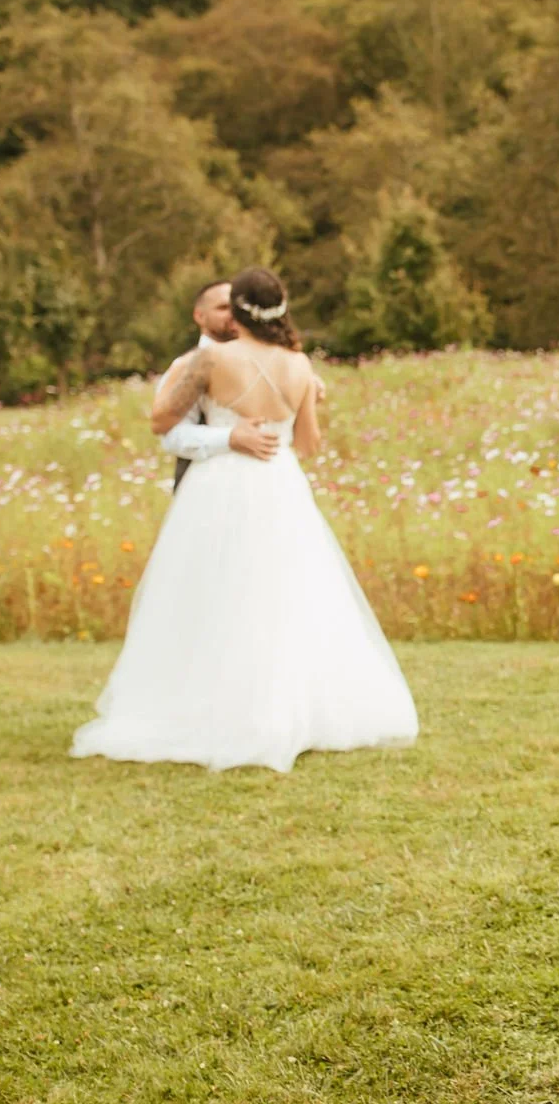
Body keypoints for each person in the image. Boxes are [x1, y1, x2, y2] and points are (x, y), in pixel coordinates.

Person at [70, 266, 419, 772]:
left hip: (221, 485)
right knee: (285, 595)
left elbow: (160, 420)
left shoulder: (210, 359)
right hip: (280, 482)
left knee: (214, 590)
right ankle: (288, 711)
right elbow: (308, 444)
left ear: (237, 310)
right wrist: (301, 401)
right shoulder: (300, 365)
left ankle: (210, 708)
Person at [162, 280, 283, 489]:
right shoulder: (186, 365)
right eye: (222, 308)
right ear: (199, 316)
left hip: (265, 484)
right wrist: (229, 438)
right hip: (204, 488)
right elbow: (171, 435)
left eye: (235, 307)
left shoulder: (267, 361)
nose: (232, 315)